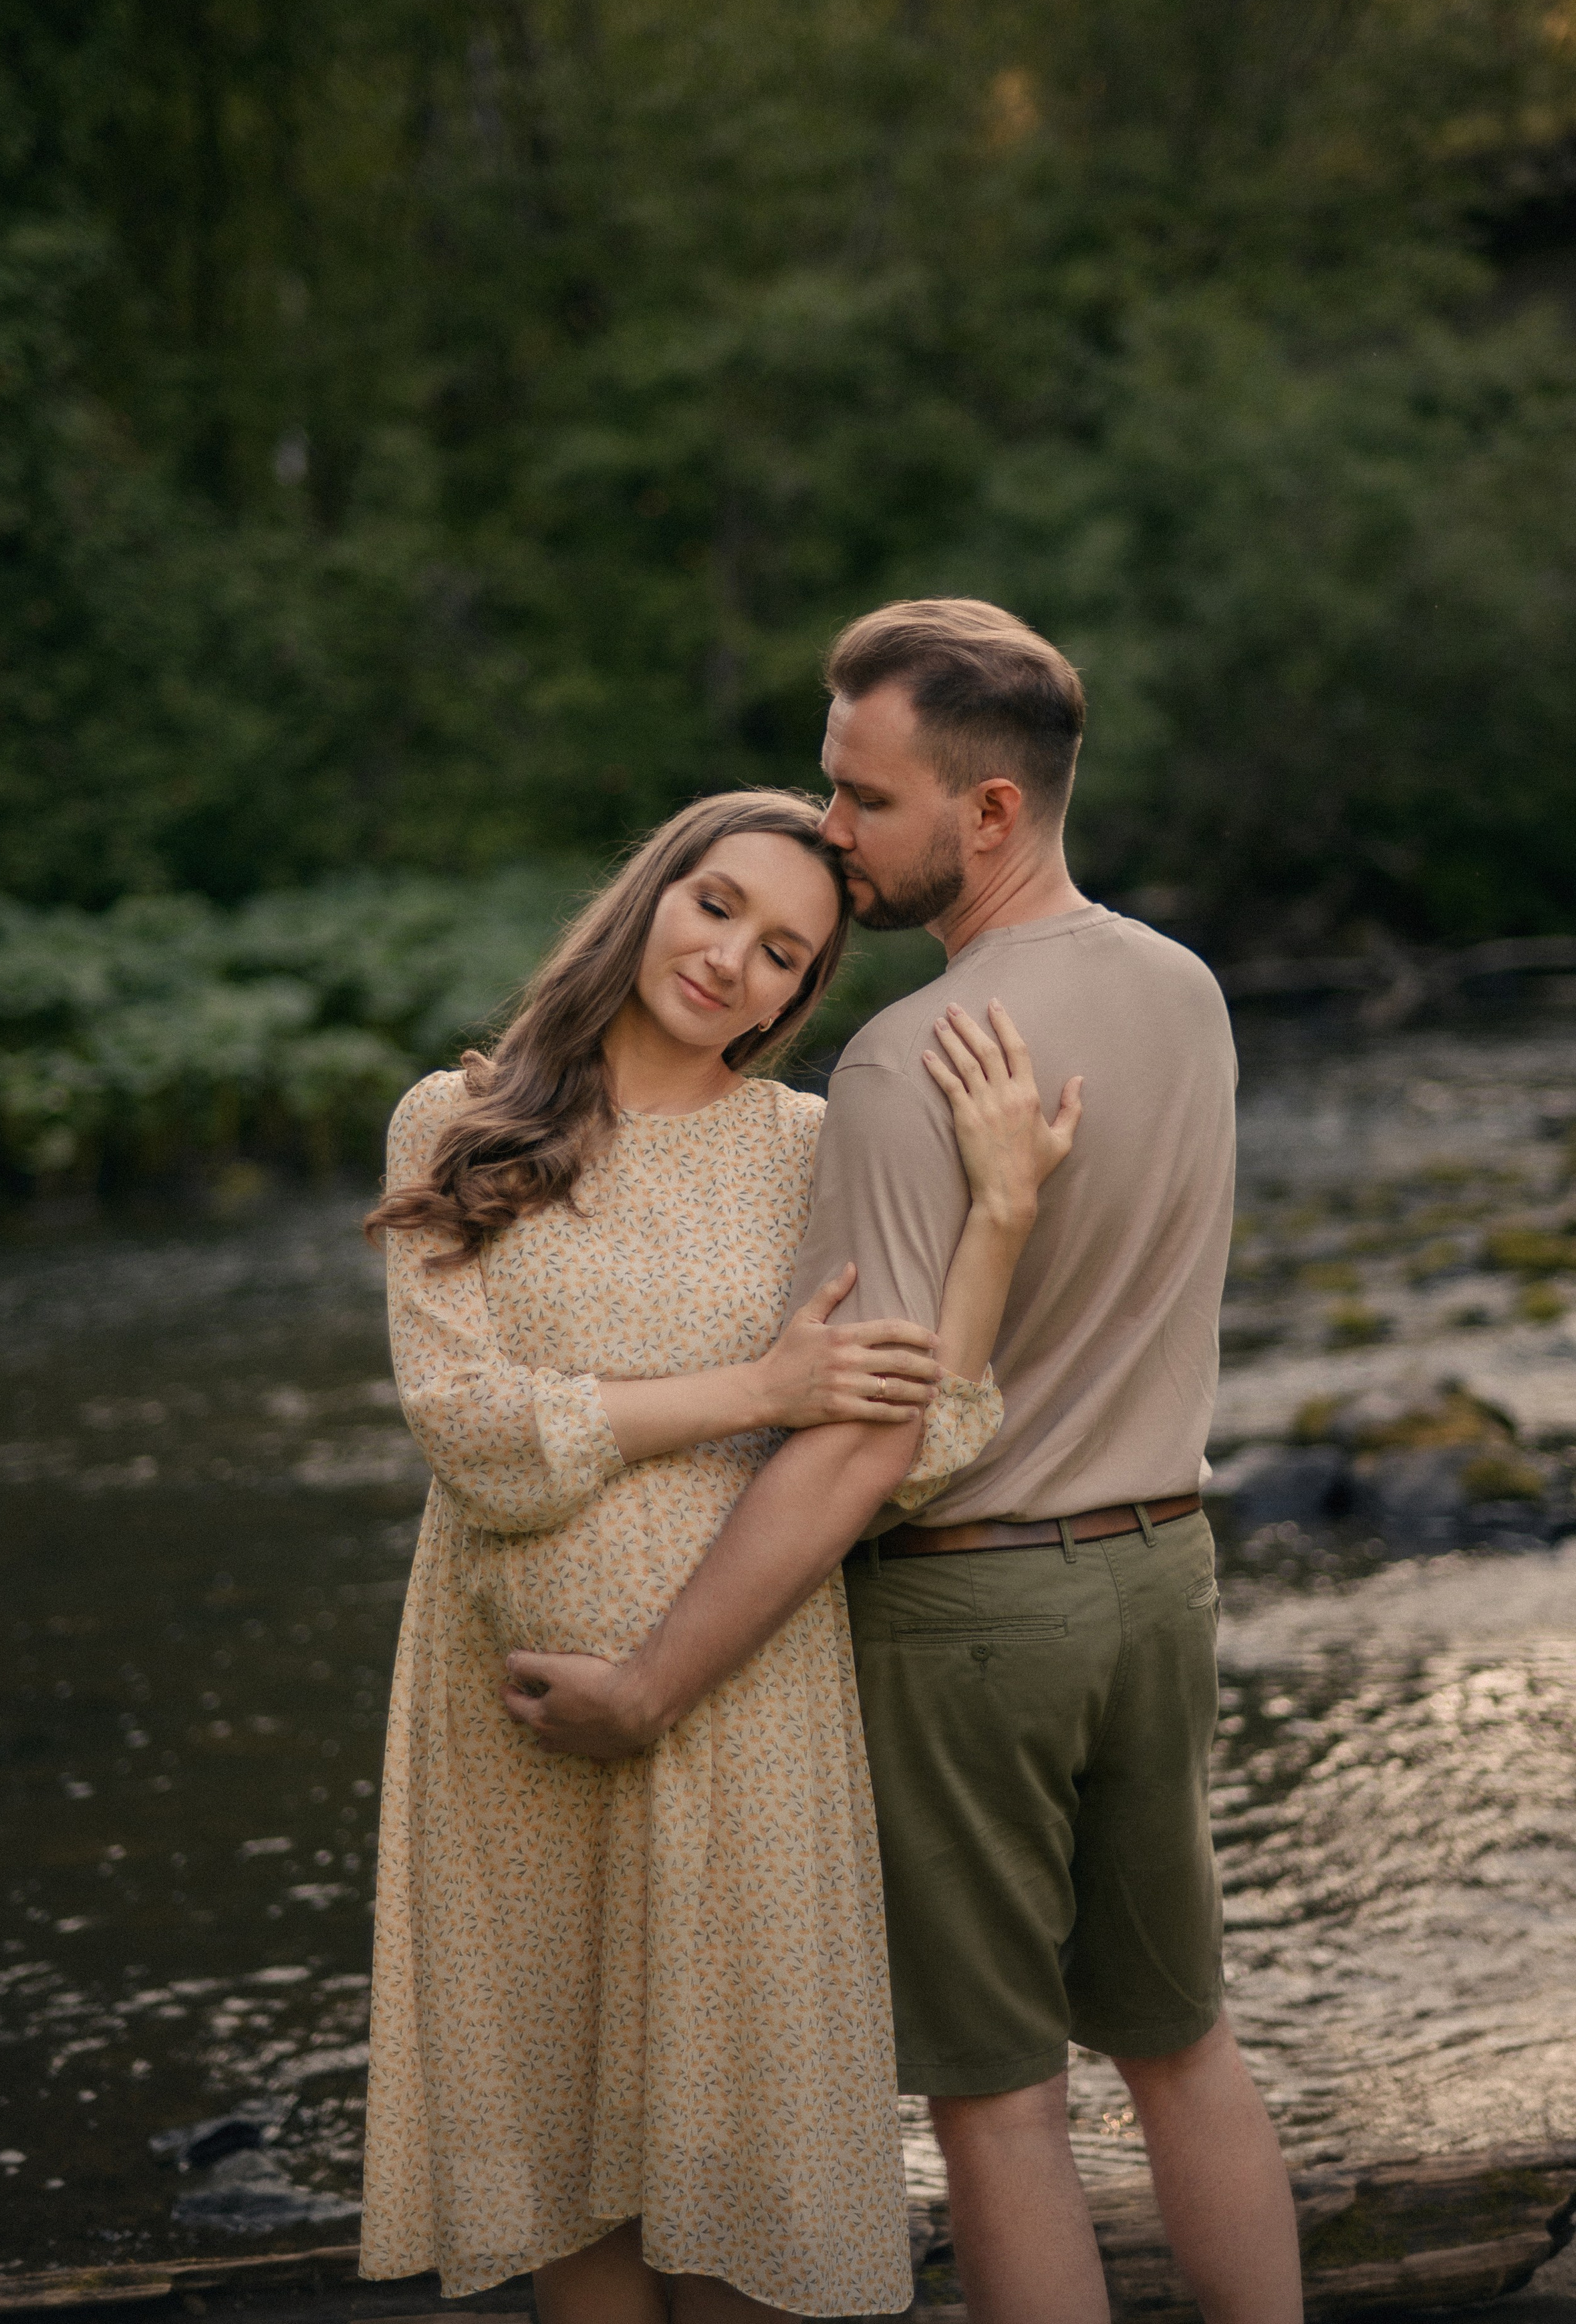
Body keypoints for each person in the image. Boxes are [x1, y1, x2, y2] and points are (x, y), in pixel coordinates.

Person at [505, 602, 1305, 2324]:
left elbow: (861, 1440)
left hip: (972, 1621)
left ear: (990, 812)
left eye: (864, 801)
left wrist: (649, 1683)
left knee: (1000, 2101)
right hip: (1160, 1575)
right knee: (1182, 2046)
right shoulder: (1180, 987)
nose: (831, 835)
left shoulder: (897, 1067)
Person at [357, 785, 1081, 2321]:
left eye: (784, 956)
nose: (732, 961)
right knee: (575, 2196)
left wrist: (999, 1217)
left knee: (748, 2204)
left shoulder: (814, 1148)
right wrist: (755, 1391)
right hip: (514, 1741)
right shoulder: (458, 1117)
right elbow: (468, 1431)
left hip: (743, 1722)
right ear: (650, 894)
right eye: (716, 907)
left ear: (801, 998)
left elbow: (920, 1435)